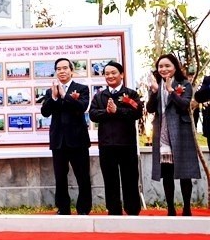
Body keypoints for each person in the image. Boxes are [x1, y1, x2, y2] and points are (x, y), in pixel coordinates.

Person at [146, 53, 200, 216]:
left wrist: (171, 91)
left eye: (167, 66)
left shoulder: (184, 84)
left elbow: (185, 105)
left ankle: (187, 208)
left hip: (180, 131)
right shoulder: (156, 85)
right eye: (160, 66)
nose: (163, 69)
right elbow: (149, 109)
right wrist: (155, 92)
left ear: (175, 67)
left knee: (185, 171)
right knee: (167, 172)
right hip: (162, 131)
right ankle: (170, 208)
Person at [88, 61, 143, 216]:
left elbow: (137, 112)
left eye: (113, 73)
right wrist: (107, 112)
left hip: (127, 144)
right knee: (110, 180)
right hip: (107, 145)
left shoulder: (130, 94)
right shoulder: (100, 96)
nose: (110, 76)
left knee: (130, 179)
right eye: (107, 73)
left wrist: (118, 110)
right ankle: (113, 211)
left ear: (122, 74)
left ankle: (132, 210)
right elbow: (93, 114)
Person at [40, 58, 91, 215]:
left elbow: (81, 107)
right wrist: (54, 97)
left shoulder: (81, 88)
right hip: (58, 141)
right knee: (60, 177)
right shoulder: (50, 91)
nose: (61, 71)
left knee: (82, 176)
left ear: (71, 70)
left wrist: (65, 96)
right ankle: (63, 208)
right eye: (58, 69)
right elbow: (45, 112)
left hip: (78, 140)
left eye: (64, 68)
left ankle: (83, 208)